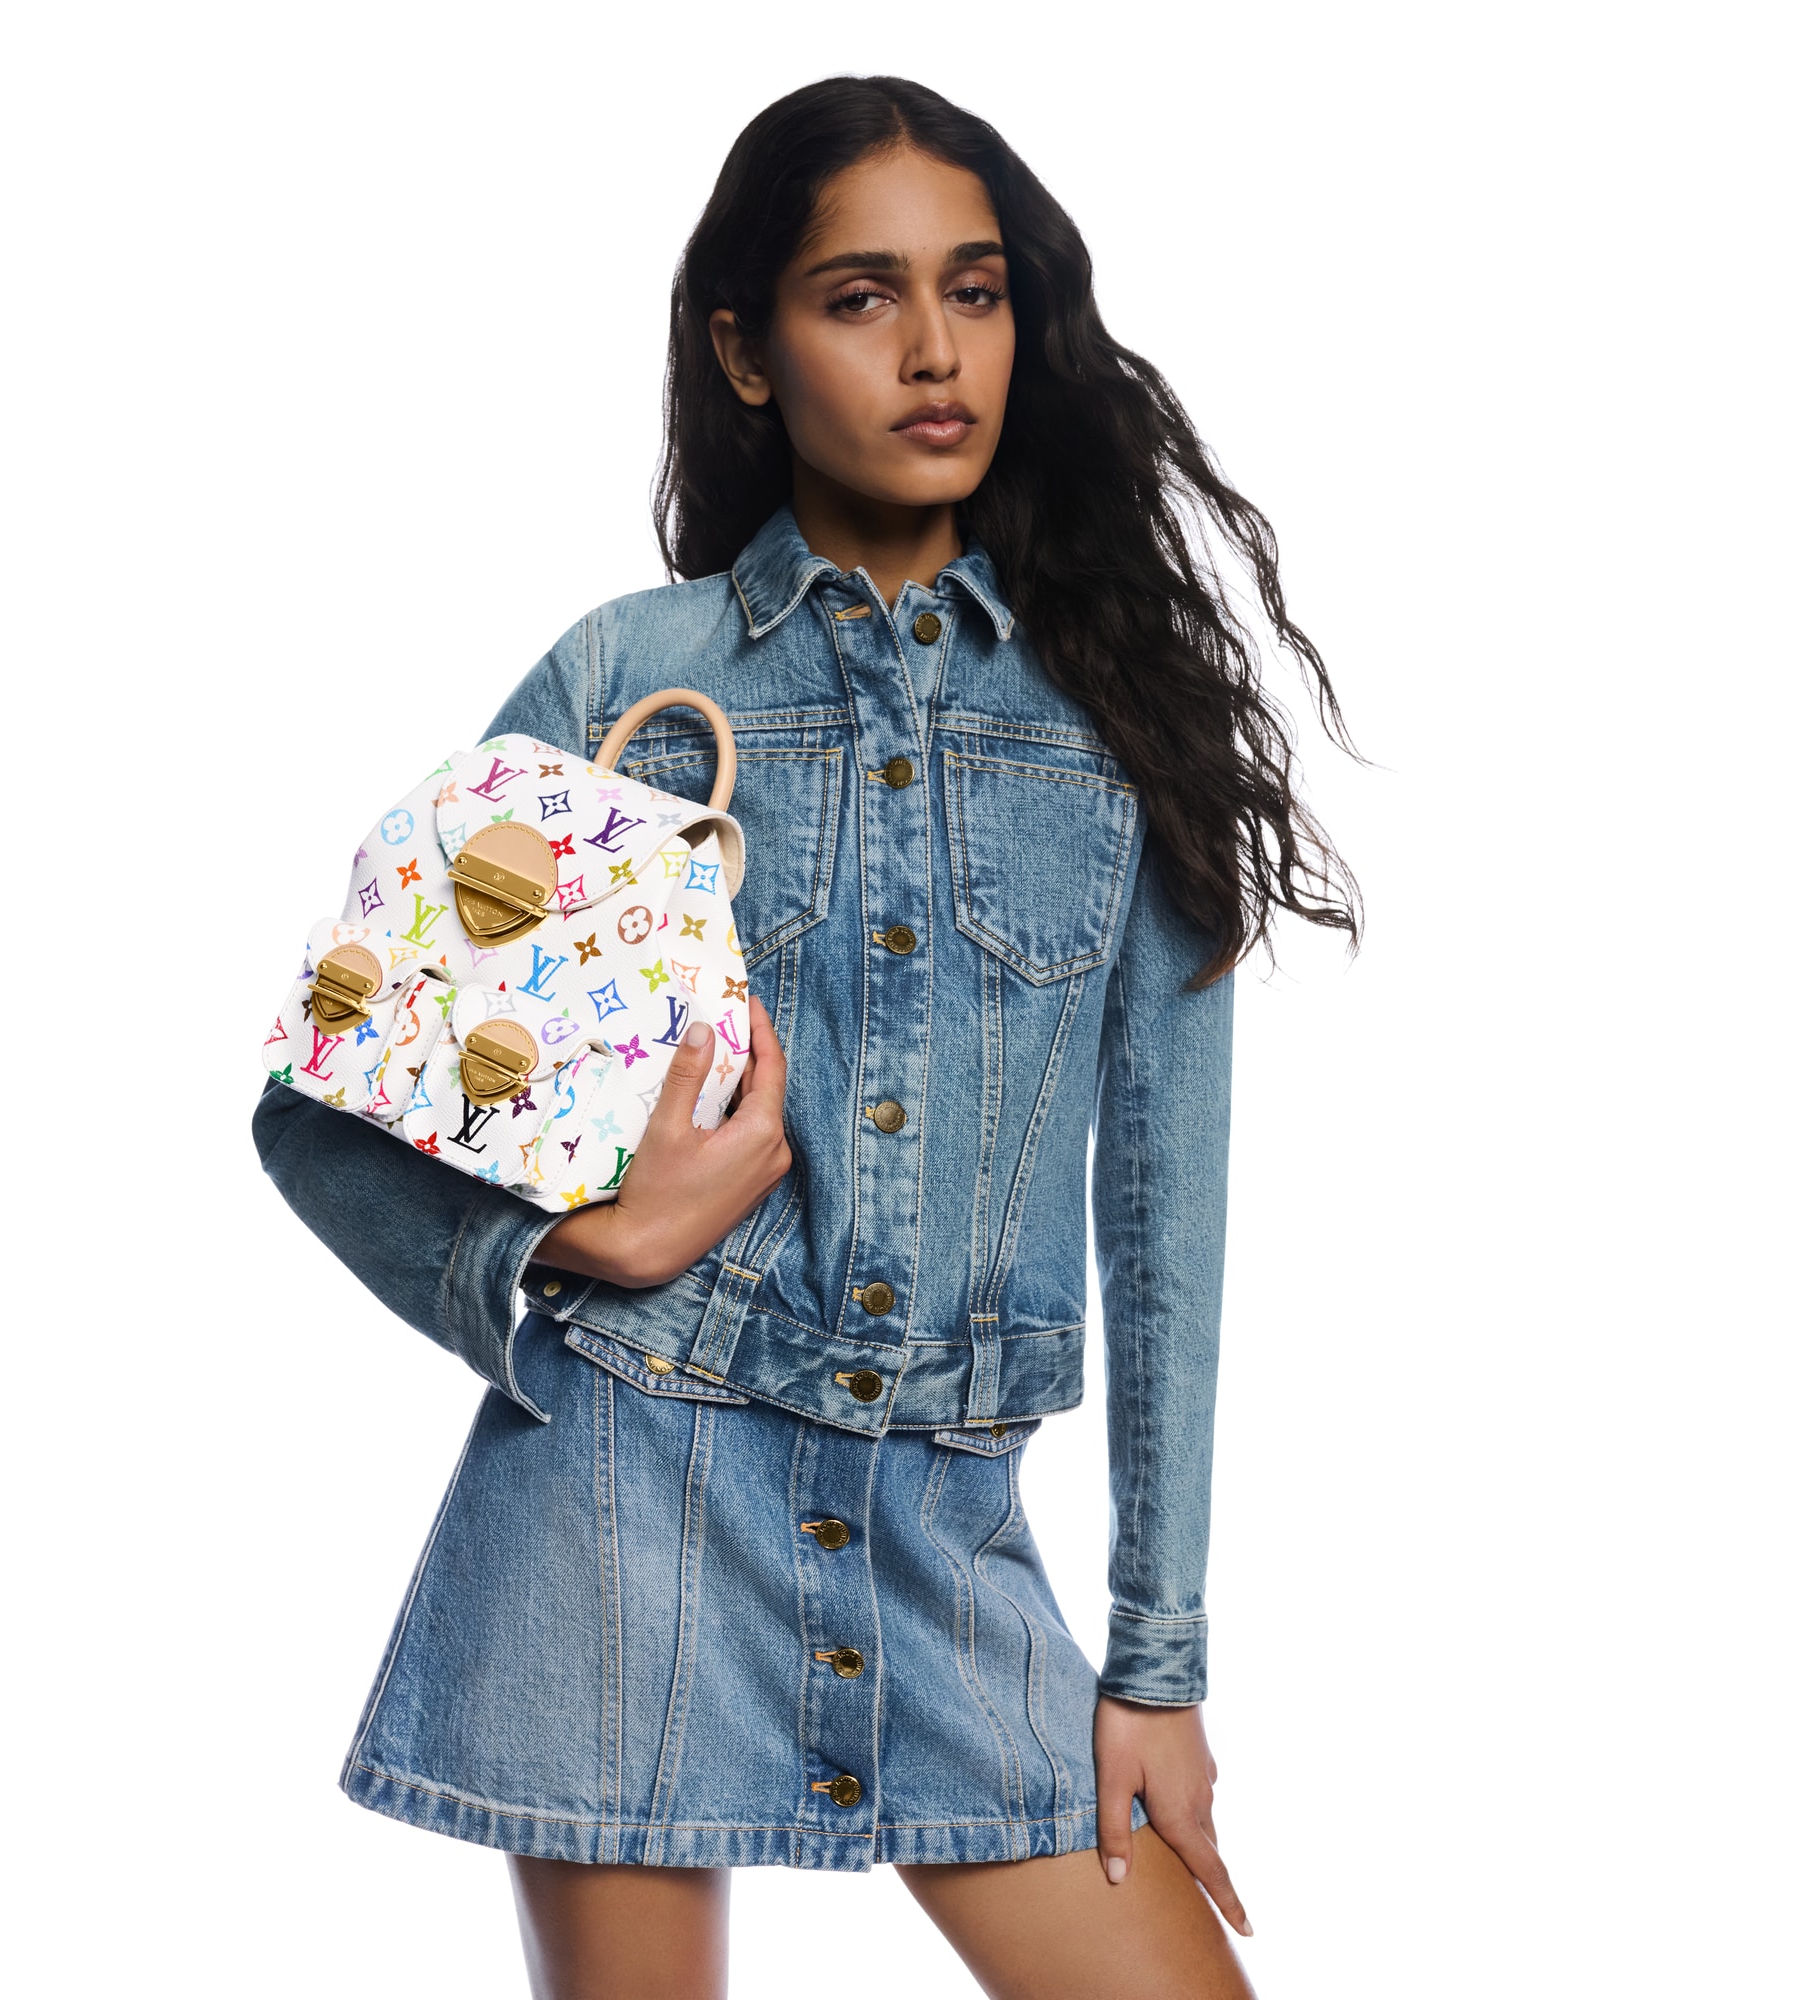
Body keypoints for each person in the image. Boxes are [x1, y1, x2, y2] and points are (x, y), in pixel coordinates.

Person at [254, 74, 1355, 2000]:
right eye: (863, 297)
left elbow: (1167, 1228)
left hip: (948, 1524)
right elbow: (324, 1105)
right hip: (621, 1502)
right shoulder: (628, 681)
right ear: (746, 350)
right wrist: (576, 1241)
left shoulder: (1125, 715)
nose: (936, 352)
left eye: (975, 291)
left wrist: (1156, 1666)